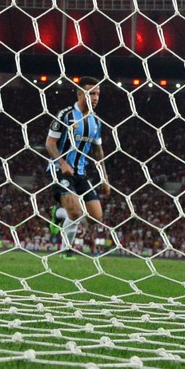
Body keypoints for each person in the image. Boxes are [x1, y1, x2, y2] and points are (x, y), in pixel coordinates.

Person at [45, 77, 110, 258]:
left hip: (81, 173)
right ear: (80, 94)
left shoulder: (96, 122)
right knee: (75, 213)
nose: (95, 97)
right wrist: (62, 162)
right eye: (91, 93)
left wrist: (104, 178)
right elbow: (50, 144)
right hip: (59, 170)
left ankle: (58, 213)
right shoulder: (65, 115)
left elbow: (99, 151)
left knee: (96, 217)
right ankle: (66, 251)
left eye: (97, 94)